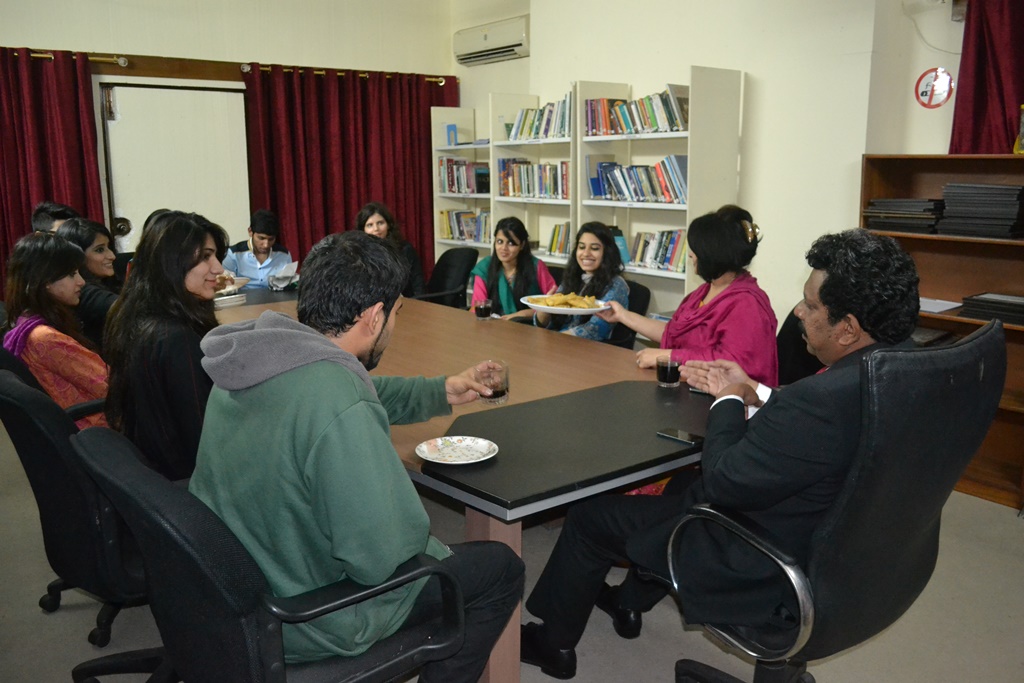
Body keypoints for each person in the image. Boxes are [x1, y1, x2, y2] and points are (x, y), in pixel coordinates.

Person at [518, 229, 920, 680]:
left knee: (590, 517)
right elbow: (813, 427)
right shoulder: (901, 370)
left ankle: (553, 645)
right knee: (679, 483)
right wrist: (756, 391)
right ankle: (628, 601)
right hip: (849, 551)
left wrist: (728, 399)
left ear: (847, 328)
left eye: (810, 305)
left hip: (760, 554)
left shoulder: (821, 401)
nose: (798, 311)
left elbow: (725, 481)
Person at [188, 231, 524, 680]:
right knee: (500, 568)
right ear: (374, 316)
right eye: (396, 314)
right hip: (310, 619)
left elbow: (351, 392)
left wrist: (439, 390)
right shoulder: (337, 402)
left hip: (240, 591)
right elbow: (382, 557)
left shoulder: (255, 361)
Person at [104, 211, 228, 481]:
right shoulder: (178, 340)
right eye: (206, 256)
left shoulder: (133, 315)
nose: (218, 268)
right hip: (188, 482)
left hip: (153, 472)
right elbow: (205, 440)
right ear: (173, 262)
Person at [597, 205, 779, 385]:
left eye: (696, 250)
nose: (691, 255)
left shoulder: (747, 304)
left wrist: (670, 356)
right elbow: (672, 334)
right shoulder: (704, 291)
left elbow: (732, 365)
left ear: (713, 254)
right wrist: (622, 315)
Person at [2, 232, 107, 429]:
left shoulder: (25, 323)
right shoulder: (46, 338)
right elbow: (109, 387)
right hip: (98, 429)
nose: (81, 282)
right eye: (72, 274)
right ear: (45, 281)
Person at [533, 222, 629, 341]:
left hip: (588, 348)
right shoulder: (573, 277)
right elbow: (546, 324)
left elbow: (594, 330)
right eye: (582, 247)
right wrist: (545, 308)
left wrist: (554, 340)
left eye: (594, 248)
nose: (586, 253)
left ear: (607, 252)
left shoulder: (616, 285)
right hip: (560, 342)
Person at [470, 216, 557, 319]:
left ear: (522, 245)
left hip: (528, 325)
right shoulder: (485, 268)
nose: (504, 248)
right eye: (499, 241)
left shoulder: (536, 266)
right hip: (493, 324)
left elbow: (554, 303)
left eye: (511, 243)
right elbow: (478, 307)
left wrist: (521, 314)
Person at [55, 218, 120, 350]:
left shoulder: (109, 281)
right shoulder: (80, 291)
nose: (112, 256)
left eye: (109, 247)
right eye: (100, 250)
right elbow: (131, 309)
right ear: (77, 256)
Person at [356, 201, 426, 297]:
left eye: (380, 223)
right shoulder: (359, 253)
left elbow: (418, 285)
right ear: (363, 230)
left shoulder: (405, 249)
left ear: (388, 225)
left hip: (405, 301)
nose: (376, 229)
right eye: (370, 225)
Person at [221, 209, 293, 290]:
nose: (266, 245)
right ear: (250, 232)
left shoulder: (283, 255)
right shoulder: (233, 254)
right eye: (261, 238)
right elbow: (225, 287)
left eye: (271, 239)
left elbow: (287, 286)